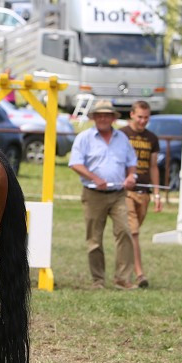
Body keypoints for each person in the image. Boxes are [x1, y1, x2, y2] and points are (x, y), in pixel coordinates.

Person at [68, 99, 139, 290]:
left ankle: (122, 278)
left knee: (125, 231)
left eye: (107, 115)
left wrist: (131, 176)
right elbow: (75, 163)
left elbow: (132, 161)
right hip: (93, 194)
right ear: (94, 118)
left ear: (113, 118)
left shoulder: (122, 139)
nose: (103, 119)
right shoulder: (84, 137)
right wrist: (94, 177)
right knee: (94, 239)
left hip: (118, 194)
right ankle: (98, 280)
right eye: (99, 115)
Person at [122, 100, 163, 287]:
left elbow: (154, 166)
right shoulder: (121, 135)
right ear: (132, 114)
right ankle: (139, 274)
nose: (143, 121)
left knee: (132, 235)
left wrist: (156, 194)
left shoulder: (152, 139)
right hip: (126, 191)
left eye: (146, 117)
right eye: (140, 117)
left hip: (144, 191)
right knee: (134, 232)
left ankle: (125, 271)